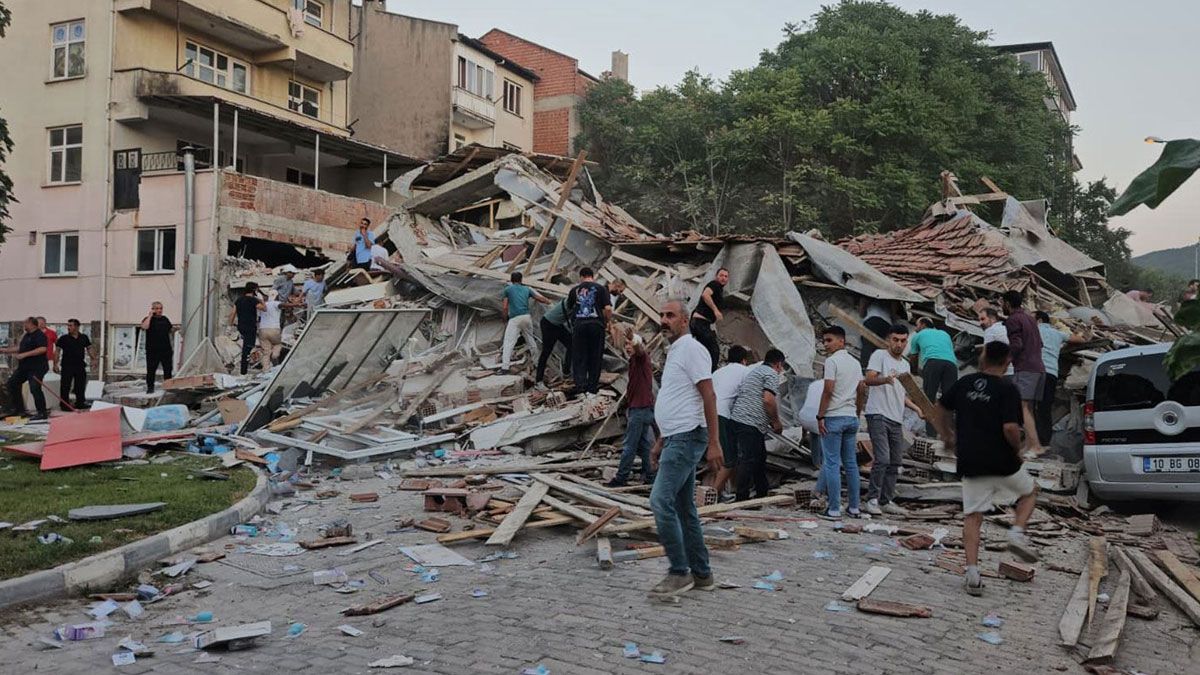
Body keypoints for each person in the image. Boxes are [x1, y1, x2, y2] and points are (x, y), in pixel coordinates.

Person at [932, 341, 1039, 596]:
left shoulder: (965, 383)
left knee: (973, 517)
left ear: (983, 359)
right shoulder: (1008, 389)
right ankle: (1015, 533)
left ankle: (972, 574)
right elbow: (1010, 428)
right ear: (1007, 362)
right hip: (1002, 460)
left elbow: (939, 408)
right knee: (1029, 494)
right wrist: (1017, 447)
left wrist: (947, 436)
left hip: (971, 460)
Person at [647, 298, 722, 599]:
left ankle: (679, 572)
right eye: (661, 315)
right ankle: (702, 574)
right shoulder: (675, 351)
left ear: (685, 320)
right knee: (684, 508)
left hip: (688, 438)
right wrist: (661, 440)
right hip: (676, 437)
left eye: (670, 315)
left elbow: (709, 396)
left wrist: (715, 443)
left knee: (659, 501)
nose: (664, 320)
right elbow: (680, 400)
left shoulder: (692, 350)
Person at [863, 324, 923, 516]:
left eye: (903, 340)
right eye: (895, 340)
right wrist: (885, 380)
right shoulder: (879, 356)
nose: (899, 344)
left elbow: (901, 394)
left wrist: (916, 408)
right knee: (882, 458)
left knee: (895, 461)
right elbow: (868, 379)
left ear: (907, 342)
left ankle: (885, 500)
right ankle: (871, 499)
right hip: (878, 414)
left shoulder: (905, 365)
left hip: (896, 418)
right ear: (889, 339)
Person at [816, 326, 865, 520]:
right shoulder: (855, 363)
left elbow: (828, 390)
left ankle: (834, 508)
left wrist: (820, 416)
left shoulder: (832, 362)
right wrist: (857, 413)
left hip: (834, 416)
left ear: (841, 341)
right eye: (824, 341)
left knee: (832, 463)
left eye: (829, 340)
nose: (825, 344)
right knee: (851, 464)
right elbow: (861, 390)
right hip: (851, 417)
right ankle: (854, 507)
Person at [729, 348, 785, 502]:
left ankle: (762, 492)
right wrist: (776, 422)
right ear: (779, 364)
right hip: (750, 421)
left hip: (740, 418)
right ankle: (742, 497)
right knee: (748, 460)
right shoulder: (771, 374)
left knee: (759, 457)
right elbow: (768, 400)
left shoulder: (755, 371)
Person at [606, 328, 657, 487]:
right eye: (626, 343)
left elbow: (640, 350)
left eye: (630, 344)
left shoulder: (642, 358)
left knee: (629, 446)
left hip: (640, 409)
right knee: (643, 446)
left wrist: (634, 339)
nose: (628, 346)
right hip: (642, 408)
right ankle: (650, 476)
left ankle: (621, 478)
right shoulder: (633, 361)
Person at [1001, 290, 1045, 456]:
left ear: (1007, 303)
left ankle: (1035, 446)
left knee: (1022, 408)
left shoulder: (1013, 320)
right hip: (1039, 368)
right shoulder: (1030, 320)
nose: (1001, 306)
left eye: (1002, 303)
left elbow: (1017, 344)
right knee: (1029, 408)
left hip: (1025, 368)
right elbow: (1040, 343)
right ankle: (1028, 446)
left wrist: (1006, 361)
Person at [1035, 311, 1086, 445]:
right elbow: (1080, 340)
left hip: (1035, 372)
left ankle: (1031, 441)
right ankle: (1044, 443)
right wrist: (1062, 346)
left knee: (1029, 407)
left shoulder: (1032, 331)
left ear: (1039, 320)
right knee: (1045, 408)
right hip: (1051, 373)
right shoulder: (1056, 333)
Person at [709, 345, 752, 501]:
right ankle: (712, 495)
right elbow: (748, 396)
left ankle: (722, 493)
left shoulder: (718, 372)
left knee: (718, 456)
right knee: (730, 460)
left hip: (707, 414)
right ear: (744, 360)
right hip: (722, 415)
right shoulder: (745, 371)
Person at [565, 267, 612, 396]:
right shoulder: (601, 289)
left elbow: (569, 307)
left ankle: (581, 387)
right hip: (596, 325)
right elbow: (608, 308)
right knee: (595, 356)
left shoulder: (574, 290)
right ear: (593, 276)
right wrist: (607, 322)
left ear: (581, 277)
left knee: (580, 356)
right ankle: (592, 387)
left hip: (580, 326)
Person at [907, 317, 958, 436]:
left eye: (917, 325)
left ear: (923, 325)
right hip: (951, 365)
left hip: (933, 363)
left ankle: (931, 433)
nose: (915, 328)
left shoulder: (918, 336)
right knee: (949, 400)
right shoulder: (944, 334)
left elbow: (913, 357)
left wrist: (914, 371)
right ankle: (949, 434)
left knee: (928, 398)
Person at [501, 271, 550, 371]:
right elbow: (539, 298)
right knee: (531, 340)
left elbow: (505, 307)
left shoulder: (507, 290)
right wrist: (549, 301)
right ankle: (537, 363)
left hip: (515, 318)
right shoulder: (527, 289)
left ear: (511, 280)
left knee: (508, 342)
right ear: (521, 280)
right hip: (526, 317)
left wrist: (504, 319)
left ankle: (505, 367)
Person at [2, 317, 50, 419]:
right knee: (12, 384)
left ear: (31, 324)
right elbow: (21, 347)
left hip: (36, 367)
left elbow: (42, 349)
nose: (24, 325)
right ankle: (19, 409)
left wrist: (25, 355)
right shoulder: (27, 335)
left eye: (25, 323)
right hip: (24, 367)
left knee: (35, 388)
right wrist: (5, 350)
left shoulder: (40, 335)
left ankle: (41, 412)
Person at [690, 268, 728, 371]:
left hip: (701, 323)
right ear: (716, 276)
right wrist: (716, 310)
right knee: (713, 351)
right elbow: (705, 295)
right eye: (721, 275)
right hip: (700, 323)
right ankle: (711, 376)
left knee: (703, 350)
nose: (723, 278)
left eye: (726, 276)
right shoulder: (714, 284)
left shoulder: (719, 289)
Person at [54, 318, 95, 411]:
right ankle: (64, 404)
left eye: (71, 325)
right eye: (68, 326)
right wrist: (55, 364)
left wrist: (93, 359)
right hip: (67, 365)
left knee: (80, 385)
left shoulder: (84, 337)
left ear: (77, 327)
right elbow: (57, 351)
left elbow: (89, 348)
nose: (68, 328)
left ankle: (80, 402)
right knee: (65, 385)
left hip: (80, 364)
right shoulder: (63, 338)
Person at [535, 297, 572, 389]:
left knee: (572, 345)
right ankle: (538, 381)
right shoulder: (575, 300)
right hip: (548, 323)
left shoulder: (579, 299)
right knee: (546, 351)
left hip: (558, 324)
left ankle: (566, 372)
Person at [230, 283, 265, 375]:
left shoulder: (239, 300)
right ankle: (243, 371)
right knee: (248, 348)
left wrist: (230, 325)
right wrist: (261, 300)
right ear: (254, 290)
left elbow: (232, 313)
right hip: (250, 327)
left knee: (246, 346)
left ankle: (244, 366)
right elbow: (264, 309)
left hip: (241, 326)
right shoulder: (253, 301)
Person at [141, 301, 175, 393]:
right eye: (157, 308)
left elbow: (170, 329)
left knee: (167, 369)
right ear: (153, 309)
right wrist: (150, 316)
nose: (159, 310)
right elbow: (144, 327)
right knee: (151, 370)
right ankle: (150, 388)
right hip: (153, 350)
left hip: (165, 349)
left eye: (161, 308)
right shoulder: (148, 319)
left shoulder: (165, 319)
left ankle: (168, 387)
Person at [858, 300, 894, 369]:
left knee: (867, 344)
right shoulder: (892, 301)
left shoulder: (867, 298)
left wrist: (863, 305)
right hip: (887, 324)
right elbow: (893, 317)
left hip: (872, 320)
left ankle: (864, 366)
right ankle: (876, 368)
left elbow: (861, 314)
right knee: (880, 347)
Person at [978, 307, 1013, 376]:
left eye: (983, 319)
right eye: (979, 320)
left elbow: (986, 353)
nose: (980, 323)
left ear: (993, 319)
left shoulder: (990, 330)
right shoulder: (1005, 328)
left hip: (1003, 372)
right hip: (1014, 371)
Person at [257, 291, 284, 371]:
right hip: (274, 329)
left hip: (263, 329)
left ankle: (266, 369)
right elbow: (282, 305)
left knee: (266, 352)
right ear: (276, 296)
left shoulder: (263, 305)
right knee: (277, 344)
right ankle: (275, 356)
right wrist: (298, 304)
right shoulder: (275, 303)